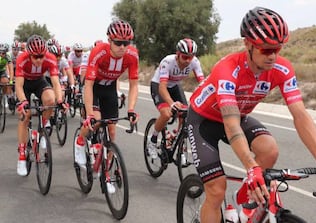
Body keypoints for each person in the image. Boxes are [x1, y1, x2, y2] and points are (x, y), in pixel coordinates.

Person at [186, 7, 316, 222]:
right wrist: (251, 167)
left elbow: (299, 114)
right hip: (203, 121)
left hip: (237, 115)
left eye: (277, 49)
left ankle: (245, 201)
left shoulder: (282, 69)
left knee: (269, 150)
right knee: (216, 190)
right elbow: (231, 124)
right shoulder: (227, 69)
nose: (272, 55)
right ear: (248, 44)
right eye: (266, 50)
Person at [74, 19, 139, 193]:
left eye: (127, 43)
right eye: (118, 43)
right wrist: (88, 114)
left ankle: (106, 172)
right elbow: (88, 85)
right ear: (109, 40)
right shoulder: (98, 52)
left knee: (111, 131)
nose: (123, 47)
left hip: (109, 88)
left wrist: (131, 109)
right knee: (95, 121)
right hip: (94, 86)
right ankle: (80, 142)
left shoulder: (132, 55)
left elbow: (134, 85)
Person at [15, 35, 66, 176]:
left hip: (39, 81)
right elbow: (18, 85)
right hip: (24, 83)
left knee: (51, 100)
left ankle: (42, 127)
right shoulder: (22, 58)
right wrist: (23, 102)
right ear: (29, 54)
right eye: (35, 57)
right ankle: (21, 155)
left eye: (41, 56)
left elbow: (55, 83)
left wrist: (60, 100)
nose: (39, 60)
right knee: (25, 116)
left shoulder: (50, 58)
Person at [147, 38, 204, 159]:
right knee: (166, 114)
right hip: (159, 85)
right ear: (177, 54)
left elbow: (202, 85)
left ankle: (178, 142)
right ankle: (152, 140)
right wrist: (172, 103)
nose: (188, 61)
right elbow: (162, 88)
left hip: (174, 86)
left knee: (186, 115)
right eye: (185, 57)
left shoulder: (195, 62)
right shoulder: (168, 62)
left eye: (191, 57)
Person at [0, 43, 15, 109]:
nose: (1, 55)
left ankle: (5, 96)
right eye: (0, 53)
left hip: (2, 71)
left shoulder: (7, 57)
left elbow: (11, 69)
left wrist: (11, 80)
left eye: (3, 53)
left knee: (6, 82)